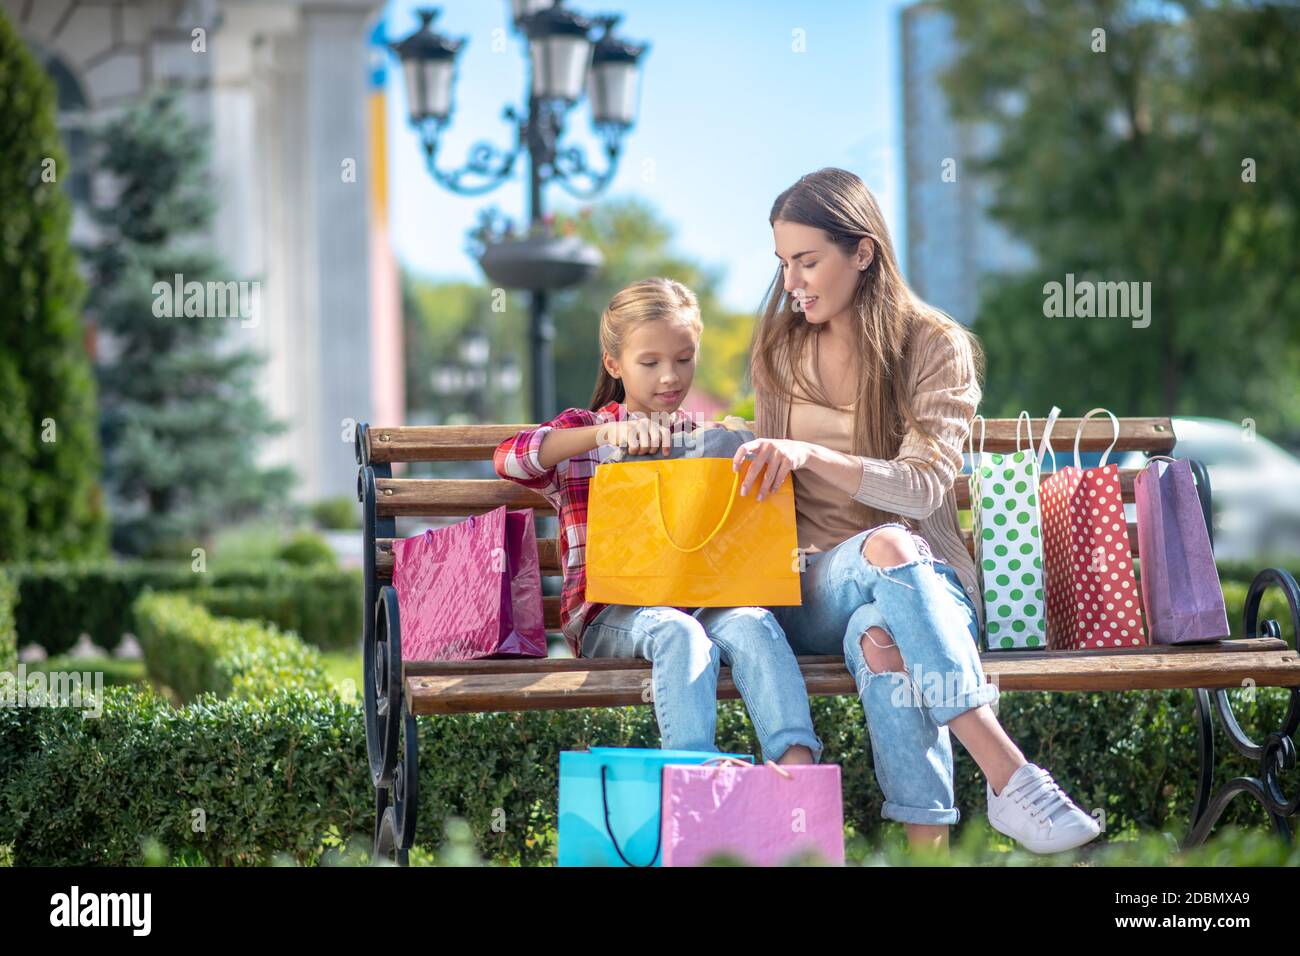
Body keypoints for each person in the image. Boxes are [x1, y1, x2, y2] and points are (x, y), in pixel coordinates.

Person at [736, 167, 1101, 854]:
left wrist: (813, 456)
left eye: (807, 261)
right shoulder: (782, 349)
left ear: (863, 251)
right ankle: (1011, 777)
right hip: (807, 586)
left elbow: (924, 488)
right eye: (784, 264)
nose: (793, 283)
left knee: (884, 637)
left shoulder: (934, 346)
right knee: (888, 551)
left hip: (919, 590)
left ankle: (926, 852)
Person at [493, 277, 822, 766]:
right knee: (677, 632)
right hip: (611, 617)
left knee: (755, 622)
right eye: (650, 363)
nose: (670, 377)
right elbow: (511, 459)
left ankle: (798, 769)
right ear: (614, 363)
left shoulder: (704, 436)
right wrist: (608, 432)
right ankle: (696, 777)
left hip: (702, 602)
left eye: (684, 359)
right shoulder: (586, 431)